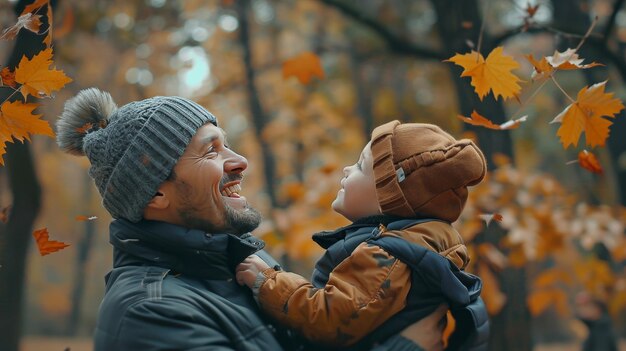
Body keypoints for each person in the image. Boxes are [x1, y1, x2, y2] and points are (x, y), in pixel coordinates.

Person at [56, 88, 448, 351]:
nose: (240, 161)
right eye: (211, 151)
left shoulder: (240, 267)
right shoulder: (148, 312)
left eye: (227, 143)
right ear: (156, 193)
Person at [236, 120, 490, 350]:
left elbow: (331, 319)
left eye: (360, 166)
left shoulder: (387, 256)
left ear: (389, 198)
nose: (347, 169)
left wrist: (267, 281)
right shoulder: (412, 246)